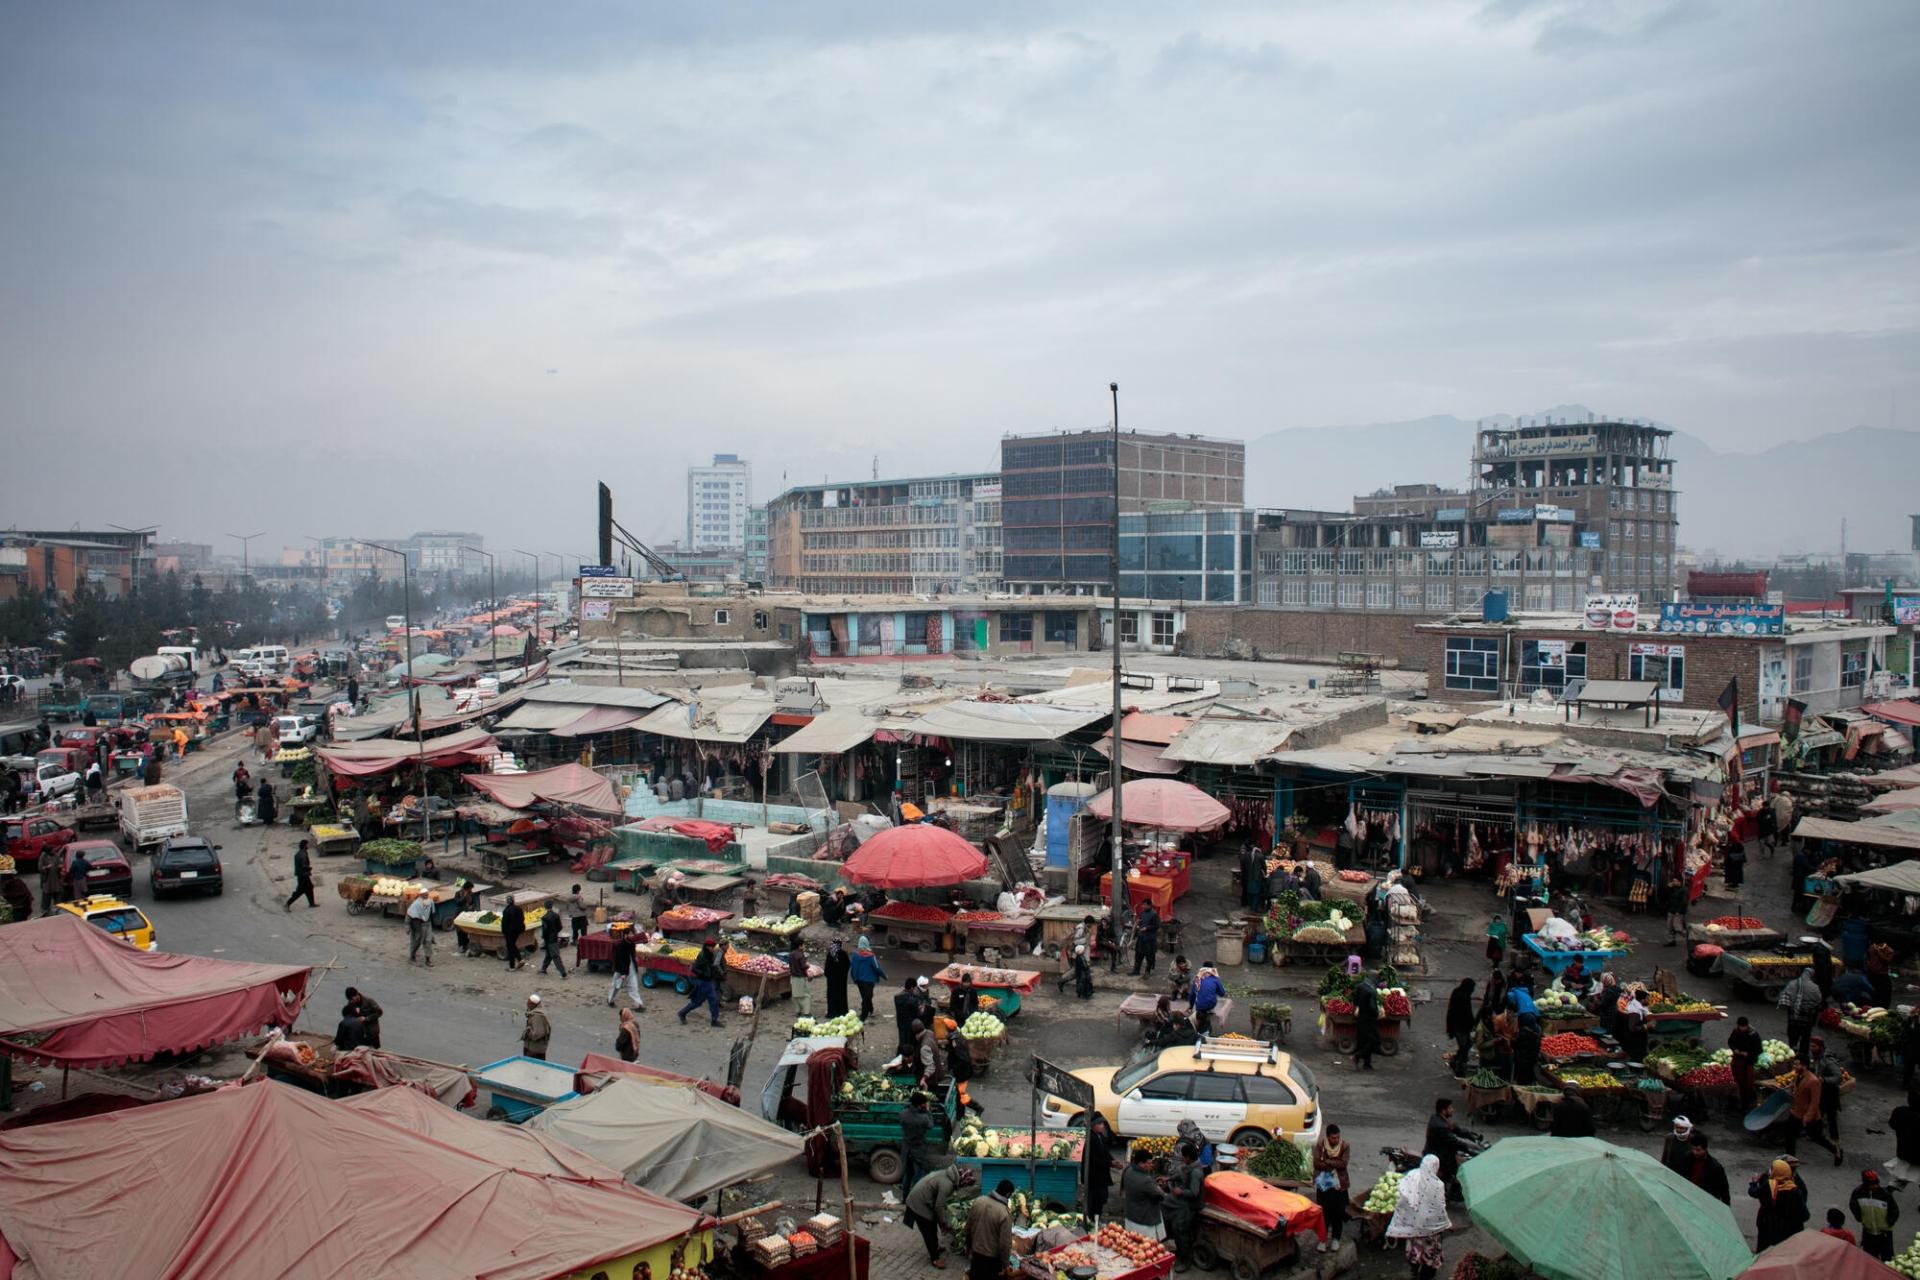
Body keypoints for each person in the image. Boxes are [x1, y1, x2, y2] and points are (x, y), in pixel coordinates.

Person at [1386, 1154, 1451, 1280]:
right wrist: (1445, 1224)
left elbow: (1402, 1198)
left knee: (1415, 1252)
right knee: (1430, 1259)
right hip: (1431, 1232)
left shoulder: (1412, 1177)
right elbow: (1440, 1209)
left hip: (1414, 1228)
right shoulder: (1437, 1185)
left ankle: (1414, 1271)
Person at [905, 1162, 979, 1269]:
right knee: (928, 1230)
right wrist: (943, 1223)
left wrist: (940, 1221)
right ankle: (934, 1258)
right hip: (918, 1203)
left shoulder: (947, 1174)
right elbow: (939, 1207)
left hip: (924, 1198)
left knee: (932, 1224)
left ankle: (936, 1247)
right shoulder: (947, 1185)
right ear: (962, 1182)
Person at [1787, 1057, 1842, 1164]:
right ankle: (1790, 1160)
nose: (1794, 1066)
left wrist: (1807, 1117)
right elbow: (1795, 1089)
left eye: (1797, 1064)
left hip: (1809, 1116)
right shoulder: (1797, 1075)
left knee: (1817, 1137)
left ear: (1804, 1066)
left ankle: (1836, 1150)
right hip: (1796, 1112)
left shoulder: (1813, 1081)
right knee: (1790, 1135)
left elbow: (1815, 1102)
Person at [1750, 1159, 1809, 1250]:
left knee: (1765, 1253)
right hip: (1789, 1231)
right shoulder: (1794, 1189)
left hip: (1767, 1227)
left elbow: (1753, 1193)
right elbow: (1805, 1215)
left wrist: (1753, 1183)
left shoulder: (1769, 1185)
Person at [1162, 1141, 1205, 1268]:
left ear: (1187, 1157)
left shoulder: (1196, 1172)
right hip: (1183, 1201)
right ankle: (1175, 1245)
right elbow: (1180, 1175)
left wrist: (1180, 1191)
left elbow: (1194, 1192)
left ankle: (1186, 1260)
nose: (1181, 1158)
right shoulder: (1189, 1166)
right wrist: (1168, 1179)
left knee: (1179, 1230)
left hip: (1190, 1205)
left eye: (1182, 1156)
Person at [1311, 1125, 1351, 1254]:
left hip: (1339, 1185)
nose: (1336, 1140)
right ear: (1328, 1137)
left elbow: (1343, 1163)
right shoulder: (1320, 1145)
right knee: (1324, 1213)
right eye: (1334, 1138)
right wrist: (1334, 1163)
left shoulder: (1345, 1146)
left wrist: (1327, 1161)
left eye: (1338, 1137)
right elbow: (1316, 1162)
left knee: (1338, 1213)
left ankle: (1336, 1239)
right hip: (1324, 1185)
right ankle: (1322, 1240)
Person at [965, 1179, 1014, 1280]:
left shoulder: (979, 1201)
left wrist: (969, 1247)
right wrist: (1005, 1264)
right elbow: (1005, 1243)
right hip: (991, 1259)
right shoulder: (1004, 1213)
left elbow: (968, 1227)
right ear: (1008, 1194)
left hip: (976, 1253)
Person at [1423, 1098, 1475, 1193]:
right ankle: (1449, 1190)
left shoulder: (1440, 1119)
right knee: (1457, 1167)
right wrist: (1469, 1149)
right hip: (1438, 1155)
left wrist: (1473, 1136)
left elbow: (1457, 1130)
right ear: (1444, 1110)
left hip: (1442, 1152)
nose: (1453, 1110)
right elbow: (1454, 1141)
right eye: (1450, 1108)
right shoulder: (1440, 1125)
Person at [1120, 1146, 1166, 1243]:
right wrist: (1160, 1188)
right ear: (1141, 1163)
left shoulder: (1128, 1170)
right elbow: (1160, 1196)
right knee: (1147, 1247)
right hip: (1144, 1219)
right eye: (1149, 1163)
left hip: (1130, 1215)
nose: (1151, 1165)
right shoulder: (1145, 1180)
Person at [1670, 1132, 1730, 1204]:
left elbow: (1723, 1189)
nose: (1695, 1152)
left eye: (1698, 1150)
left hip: (1706, 1202)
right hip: (1688, 1197)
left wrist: (1725, 1208)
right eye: (1693, 1149)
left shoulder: (1715, 1167)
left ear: (1705, 1149)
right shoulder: (1686, 1159)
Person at [1851, 1169, 1898, 1259]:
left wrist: (1889, 1222)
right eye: (1872, 1184)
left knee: (1887, 1260)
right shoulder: (1858, 1193)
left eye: (1876, 1183)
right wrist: (1860, 1218)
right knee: (1870, 1259)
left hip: (1884, 1233)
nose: (1875, 1186)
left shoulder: (1885, 1194)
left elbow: (1894, 1210)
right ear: (1866, 1183)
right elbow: (1853, 1206)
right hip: (1868, 1232)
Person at [1780, 969, 1824, 1061]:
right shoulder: (1814, 987)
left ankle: (1792, 1054)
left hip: (1793, 1019)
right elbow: (1818, 1002)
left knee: (1793, 1038)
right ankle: (1803, 1059)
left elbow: (1784, 997)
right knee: (1805, 1039)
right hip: (1807, 1020)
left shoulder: (1792, 984)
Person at [1811, 1035, 1846, 1149]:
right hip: (1821, 1089)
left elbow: (1838, 1077)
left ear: (1821, 1047)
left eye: (1814, 1046)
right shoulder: (1817, 1056)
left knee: (1831, 1115)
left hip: (1829, 1091)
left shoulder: (1828, 1060)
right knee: (1819, 1111)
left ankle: (1835, 1141)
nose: (1811, 1048)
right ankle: (1817, 1134)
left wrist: (1824, 1080)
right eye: (1811, 1046)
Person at [678, 938, 724, 1027]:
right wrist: (703, 973)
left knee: (713, 1000)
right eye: (711, 947)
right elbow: (694, 968)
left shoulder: (710, 954)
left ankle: (714, 1020)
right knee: (698, 1002)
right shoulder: (702, 956)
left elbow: (713, 964)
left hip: (708, 981)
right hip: (702, 982)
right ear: (707, 947)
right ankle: (682, 1013)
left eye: (713, 947)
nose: (713, 948)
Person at [899, 1091, 936, 1198]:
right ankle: (914, 1196)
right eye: (924, 1103)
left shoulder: (903, 1114)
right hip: (918, 1149)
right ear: (920, 1105)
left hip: (906, 1148)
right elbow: (931, 1125)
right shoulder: (923, 1118)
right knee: (919, 1173)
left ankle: (905, 1198)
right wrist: (928, 1111)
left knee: (908, 1174)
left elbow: (906, 1113)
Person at [1083, 1113, 1117, 1219]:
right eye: (1100, 1123)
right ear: (1093, 1125)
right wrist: (1110, 1163)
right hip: (1094, 1177)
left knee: (1100, 1200)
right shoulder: (1091, 1139)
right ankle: (1092, 1221)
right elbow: (1094, 1160)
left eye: (1102, 1123)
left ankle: (1097, 1219)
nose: (1102, 1126)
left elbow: (1106, 1152)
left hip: (1101, 1176)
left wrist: (1113, 1161)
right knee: (1094, 1202)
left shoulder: (1101, 1137)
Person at [1728, 1016, 1764, 1115]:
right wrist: (1734, 1049)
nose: (1742, 1029)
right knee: (1735, 1081)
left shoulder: (1754, 1035)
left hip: (1748, 1063)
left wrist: (1748, 1054)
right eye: (1740, 1027)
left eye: (1743, 1027)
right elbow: (1730, 1042)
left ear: (1747, 1026)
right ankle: (1734, 1101)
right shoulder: (1736, 1032)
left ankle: (1746, 1104)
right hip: (1737, 1061)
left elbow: (1759, 1050)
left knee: (1746, 1083)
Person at [1445, 978, 1476, 1078]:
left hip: (1457, 1025)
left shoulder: (1457, 992)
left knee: (1465, 1046)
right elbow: (1467, 1013)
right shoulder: (1464, 997)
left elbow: (1450, 1010)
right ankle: (1459, 1067)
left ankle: (1455, 1062)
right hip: (1461, 1026)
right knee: (1464, 1047)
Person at [849, 935, 884, 1020]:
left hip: (859, 981)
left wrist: (854, 977)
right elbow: (877, 967)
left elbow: (853, 968)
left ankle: (870, 1010)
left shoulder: (855, 955)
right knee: (867, 997)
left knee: (865, 997)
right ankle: (863, 1016)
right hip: (869, 981)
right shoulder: (871, 956)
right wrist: (884, 976)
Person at [1890, 1088, 1920, 1186]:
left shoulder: (1900, 1112)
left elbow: (1892, 1125)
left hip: (1903, 1153)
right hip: (1917, 1158)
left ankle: (1891, 1189)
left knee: (1902, 1173)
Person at [608, 928, 643, 1009]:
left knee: (634, 986)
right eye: (630, 934)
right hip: (621, 970)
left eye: (632, 934)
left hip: (631, 968)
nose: (632, 936)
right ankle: (610, 1000)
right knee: (616, 986)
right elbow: (619, 960)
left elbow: (632, 956)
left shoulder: (632, 944)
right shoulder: (619, 945)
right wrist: (623, 973)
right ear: (625, 935)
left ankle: (638, 1004)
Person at [1351, 974, 1379, 1070]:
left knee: (1362, 1040)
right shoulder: (1372, 991)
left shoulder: (1360, 986)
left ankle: (1367, 1064)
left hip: (1361, 1017)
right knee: (1374, 1040)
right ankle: (1357, 1056)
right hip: (1369, 1019)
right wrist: (1377, 1013)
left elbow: (1355, 1001)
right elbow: (1372, 1008)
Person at [405, 888, 435, 966]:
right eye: (425, 895)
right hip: (418, 926)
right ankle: (412, 955)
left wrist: (432, 928)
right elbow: (409, 915)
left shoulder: (430, 902)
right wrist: (407, 926)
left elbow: (432, 914)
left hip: (427, 925)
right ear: (421, 895)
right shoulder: (416, 904)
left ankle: (428, 960)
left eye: (427, 894)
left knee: (428, 942)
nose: (426, 896)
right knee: (416, 942)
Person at [284, 839, 315, 912]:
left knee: (310, 887)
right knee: (300, 891)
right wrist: (309, 868)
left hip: (301, 874)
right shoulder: (303, 854)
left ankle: (312, 903)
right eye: (307, 845)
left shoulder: (299, 853)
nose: (308, 846)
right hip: (303, 875)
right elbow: (304, 866)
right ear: (305, 846)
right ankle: (288, 903)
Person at [539, 904, 568, 979]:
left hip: (548, 939)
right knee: (549, 954)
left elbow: (545, 930)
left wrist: (544, 938)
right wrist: (555, 932)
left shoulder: (544, 917)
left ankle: (563, 973)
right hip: (554, 937)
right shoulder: (556, 915)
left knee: (555, 956)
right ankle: (543, 969)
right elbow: (560, 927)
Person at [825, 938, 851, 1018]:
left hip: (832, 981)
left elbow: (827, 968)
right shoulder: (843, 954)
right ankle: (842, 1012)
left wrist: (829, 976)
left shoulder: (830, 954)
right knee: (842, 995)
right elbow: (848, 965)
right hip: (841, 980)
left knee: (832, 996)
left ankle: (832, 1013)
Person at [1132, 902, 1160, 977]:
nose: (1143, 906)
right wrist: (1138, 923)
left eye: (1144, 905)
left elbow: (1157, 926)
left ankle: (1147, 972)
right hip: (1141, 937)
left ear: (1149, 905)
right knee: (1138, 955)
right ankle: (1136, 970)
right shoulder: (1143, 913)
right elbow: (1140, 921)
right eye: (1143, 905)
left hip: (1149, 939)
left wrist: (1147, 928)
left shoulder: (1154, 914)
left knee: (1149, 956)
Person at [521, 993, 552, 1060]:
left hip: (535, 1049)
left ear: (534, 1005)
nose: (527, 1005)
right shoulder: (536, 1013)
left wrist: (528, 1031)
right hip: (533, 1047)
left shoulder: (537, 1016)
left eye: (529, 1003)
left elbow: (537, 1034)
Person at [788, 939, 813, 1018]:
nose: (804, 946)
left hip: (793, 977)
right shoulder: (800, 955)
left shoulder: (791, 954)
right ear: (800, 946)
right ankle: (806, 1013)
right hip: (800, 977)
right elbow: (803, 966)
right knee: (805, 995)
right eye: (803, 945)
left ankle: (798, 1011)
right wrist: (808, 965)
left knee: (796, 995)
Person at [500, 899, 527, 970]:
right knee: (512, 945)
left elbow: (504, 922)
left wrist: (504, 931)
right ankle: (520, 959)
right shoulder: (519, 908)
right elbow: (522, 918)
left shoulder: (506, 910)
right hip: (518, 930)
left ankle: (512, 966)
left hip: (509, 932)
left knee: (510, 947)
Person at [1661, 875, 1688, 947]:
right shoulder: (1672, 888)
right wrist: (1668, 888)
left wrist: (1679, 911)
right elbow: (1664, 895)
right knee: (1669, 927)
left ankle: (1689, 935)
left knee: (1677, 927)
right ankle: (1671, 941)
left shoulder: (1684, 890)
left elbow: (1684, 902)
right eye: (1673, 881)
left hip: (1678, 911)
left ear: (1680, 882)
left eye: (1675, 881)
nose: (1673, 882)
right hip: (1671, 909)